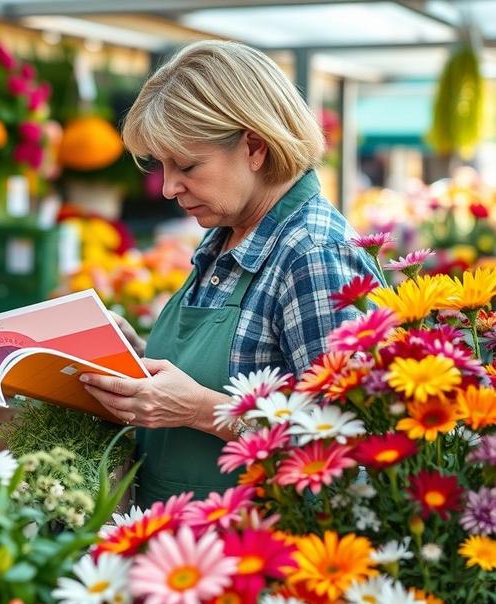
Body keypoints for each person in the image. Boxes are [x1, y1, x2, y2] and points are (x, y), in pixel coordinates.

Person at [79, 41, 382, 507]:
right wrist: (135, 358)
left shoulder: (313, 255)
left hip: (261, 560)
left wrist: (204, 412)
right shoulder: (229, 231)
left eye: (187, 165)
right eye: (161, 166)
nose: (168, 187)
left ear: (254, 147)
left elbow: (355, 454)